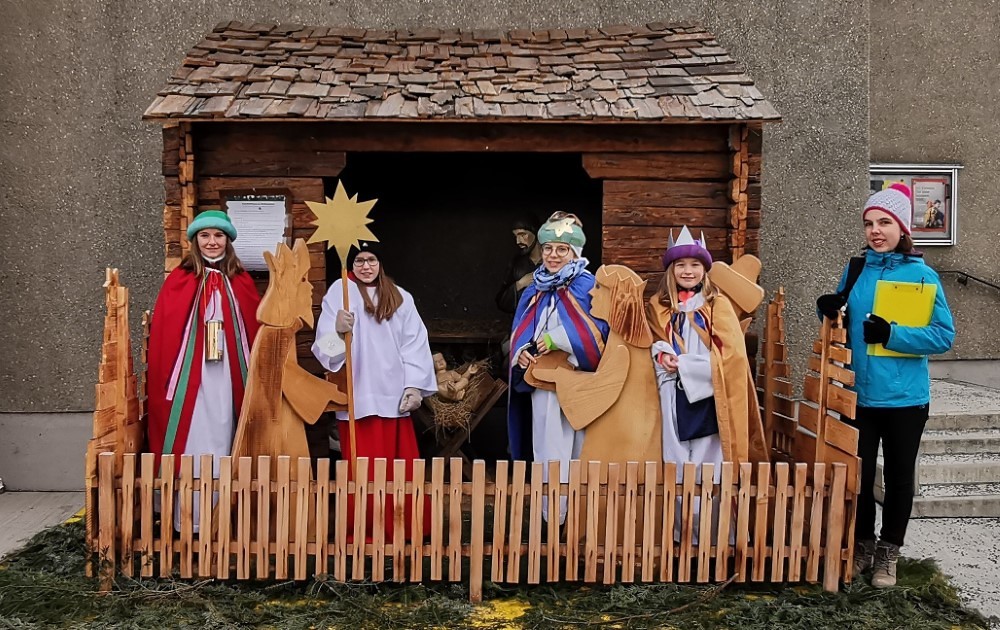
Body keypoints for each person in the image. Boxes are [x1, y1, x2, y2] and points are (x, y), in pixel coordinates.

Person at [816, 183, 954, 588]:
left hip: (904, 399)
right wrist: (827, 309)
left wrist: (892, 334)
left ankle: (888, 553)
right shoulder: (856, 269)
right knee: (857, 477)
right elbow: (842, 316)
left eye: (884, 223)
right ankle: (861, 545)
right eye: (869, 223)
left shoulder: (922, 275)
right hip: (857, 394)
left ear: (902, 228)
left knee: (898, 479)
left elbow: (943, 336)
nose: (875, 231)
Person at [312, 241, 436, 539]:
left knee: (399, 468)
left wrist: (414, 385)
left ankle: (405, 527)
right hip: (357, 396)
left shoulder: (400, 297)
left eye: (371, 260)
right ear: (350, 264)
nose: (365, 266)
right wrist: (337, 331)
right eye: (359, 261)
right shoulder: (339, 292)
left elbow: (414, 342)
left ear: (380, 263)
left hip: (393, 397)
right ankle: (366, 530)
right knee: (362, 471)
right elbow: (324, 351)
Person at [146, 210, 261, 526]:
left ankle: (224, 518)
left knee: (225, 433)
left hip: (227, 376)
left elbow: (254, 328)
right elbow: (166, 334)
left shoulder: (240, 280)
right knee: (193, 439)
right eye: (205, 236)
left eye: (218, 235)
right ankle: (190, 519)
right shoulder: (179, 280)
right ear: (195, 241)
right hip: (190, 380)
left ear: (228, 240)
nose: (212, 242)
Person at [646, 227, 768, 496]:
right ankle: (678, 519)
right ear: (671, 269)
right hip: (671, 393)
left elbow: (732, 355)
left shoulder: (717, 305)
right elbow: (654, 339)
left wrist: (687, 366)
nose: (688, 271)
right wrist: (662, 354)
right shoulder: (659, 306)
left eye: (695, 264)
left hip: (711, 394)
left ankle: (709, 520)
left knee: (708, 464)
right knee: (675, 461)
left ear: (704, 269)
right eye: (680, 265)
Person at [508, 211, 609, 521]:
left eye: (562, 249)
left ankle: (577, 521)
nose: (553, 255)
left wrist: (557, 339)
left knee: (580, 451)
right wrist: (521, 352)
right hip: (543, 382)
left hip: (580, 380)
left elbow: (601, 330)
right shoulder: (535, 288)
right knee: (547, 450)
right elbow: (522, 329)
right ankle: (551, 519)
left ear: (574, 252)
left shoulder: (589, 286)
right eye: (548, 248)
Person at [495, 215, 542, 314]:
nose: (518, 241)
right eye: (516, 236)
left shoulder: (553, 261)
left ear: (537, 233)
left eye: (523, 235)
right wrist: (519, 284)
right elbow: (502, 301)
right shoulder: (516, 263)